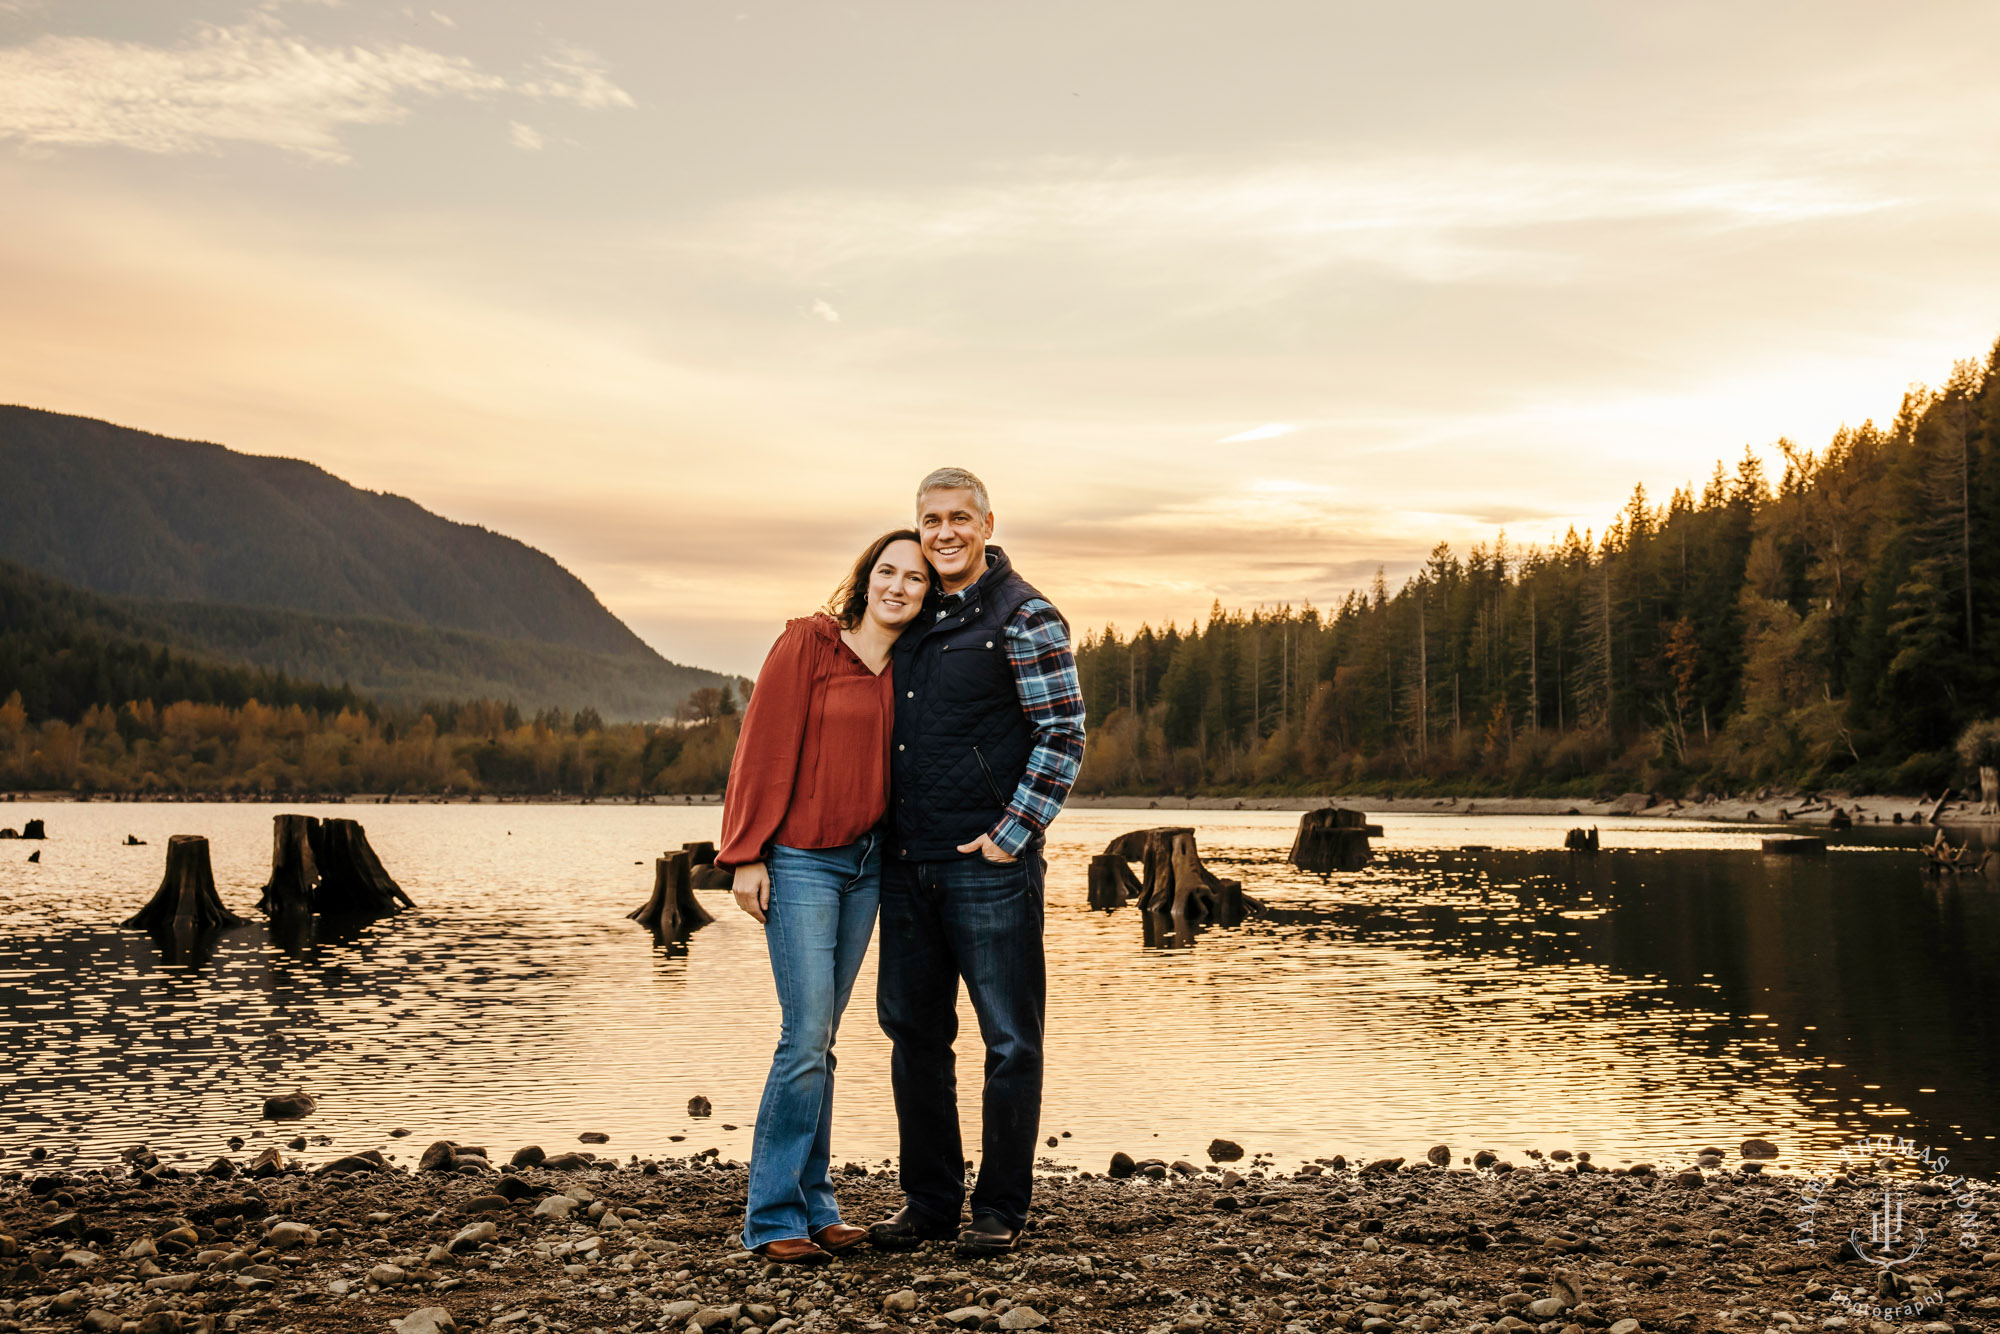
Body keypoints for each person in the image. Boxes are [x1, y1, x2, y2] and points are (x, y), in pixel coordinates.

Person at [869, 467, 1085, 1256]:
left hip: (989, 866)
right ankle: (928, 1204)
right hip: (906, 862)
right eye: (931, 520)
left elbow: (1063, 733)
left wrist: (1012, 833)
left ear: (988, 524)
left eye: (961, 517)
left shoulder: (1024, 617)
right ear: (918, 527)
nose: (945, 532)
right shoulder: (913, 615)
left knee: (1009, 1041)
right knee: (913, 1035)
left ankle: (998, 1210)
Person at [717, 529, 932, 1264]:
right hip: (803, 860)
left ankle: (816, 1205)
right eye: (888, 571)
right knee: (804, 1037)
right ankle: (771, 1217)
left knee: (825, 1043)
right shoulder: (811, 643)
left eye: (916, 579)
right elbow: (763, 746)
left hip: (869, 864)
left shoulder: (907, 668)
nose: (899, 586)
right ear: (866, 575)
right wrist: (746, 853)